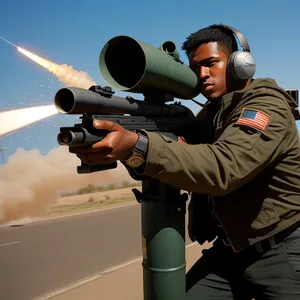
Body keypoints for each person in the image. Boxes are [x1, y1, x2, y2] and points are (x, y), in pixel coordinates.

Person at [70, 24, 300, 299]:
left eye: (211, 63)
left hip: (281, 250)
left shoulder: (266, 106)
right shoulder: (211, 118)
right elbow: (179, 161)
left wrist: (139, 145)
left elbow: (223, 168)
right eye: (195, 68)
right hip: (230, 251)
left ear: (241, 63)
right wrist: (125, 148)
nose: (202, 75)